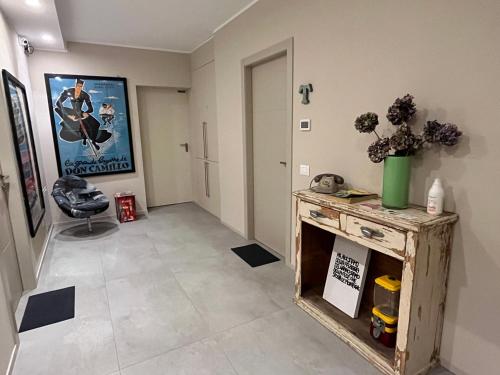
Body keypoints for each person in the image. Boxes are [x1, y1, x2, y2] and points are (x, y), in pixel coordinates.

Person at [54, 79, 111, 152]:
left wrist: (86, 113)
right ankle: (85, 138)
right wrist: (69, 116)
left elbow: (91, 109)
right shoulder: (69, 91)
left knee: (96, 124)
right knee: (79, 127)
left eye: (81, 86)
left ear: (82, 86)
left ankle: (93, 141)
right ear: (75, 85)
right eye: (78, 86)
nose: (79, 88)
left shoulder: (85, 95)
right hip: (70, 113)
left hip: (81, 113)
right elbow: (58, 104)